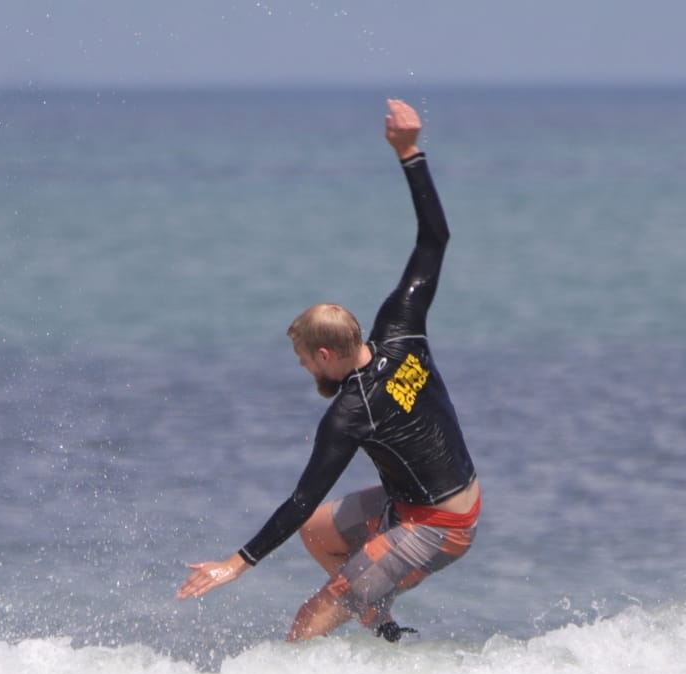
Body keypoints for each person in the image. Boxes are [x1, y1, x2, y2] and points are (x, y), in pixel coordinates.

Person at [178, 98, 481, 642]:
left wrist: (235, 563)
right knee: (320, 534)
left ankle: (328, 663)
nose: (301, 368)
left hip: (440, 526)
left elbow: (300, 498)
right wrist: (408, 152)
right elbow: (435, 239)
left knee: (305, 625)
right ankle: (380, 623)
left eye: (301, 359)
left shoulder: (351, 412)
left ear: (324, 355)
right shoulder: (400, 325)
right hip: (417, 501)